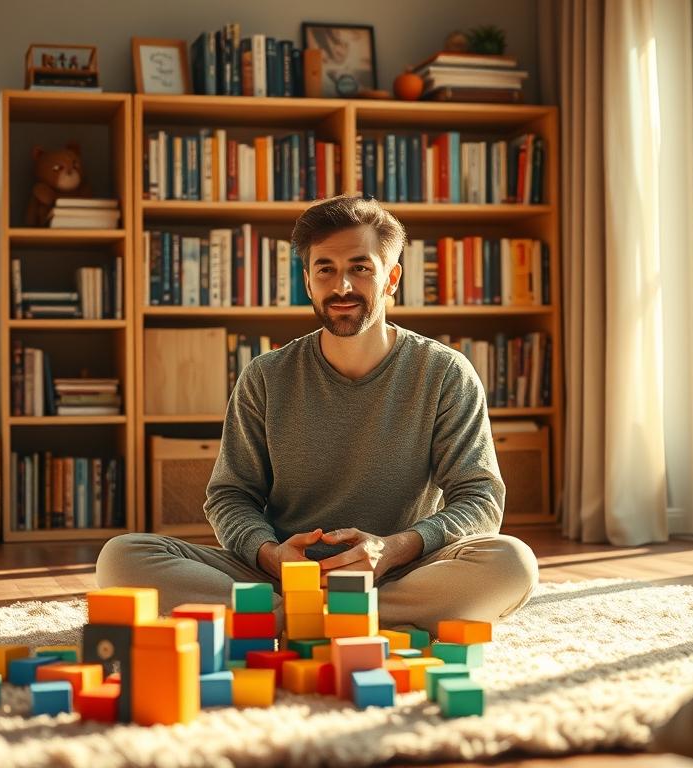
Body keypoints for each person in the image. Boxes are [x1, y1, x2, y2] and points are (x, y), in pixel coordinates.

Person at [96, 195, 538, 633]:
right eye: (325, 269)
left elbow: (480, 499)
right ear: (308, 281)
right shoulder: (266, 375)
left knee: (512, 563)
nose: (342, 286)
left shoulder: (444, 373)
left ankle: (285, 623)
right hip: (280, 577)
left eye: (360, 268)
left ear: (391, 278)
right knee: (122, 556)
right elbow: (230, 496)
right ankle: (324, 619)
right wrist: (271, 554)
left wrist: (391, 549)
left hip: (398, 571)